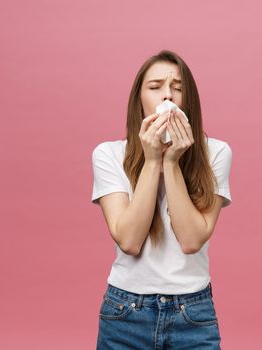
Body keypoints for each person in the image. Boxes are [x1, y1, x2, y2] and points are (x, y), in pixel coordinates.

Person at [91, 49, 232, 349]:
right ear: (139, 100)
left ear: (188, 101)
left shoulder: (217, 153)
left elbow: (192, 240)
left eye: (177, 89)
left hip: (193, 314)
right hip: (125, 313)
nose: (167, 97)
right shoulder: (108, 155)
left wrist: (171, 163)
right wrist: (153, 161)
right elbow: (129, 241)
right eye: (155, 87)